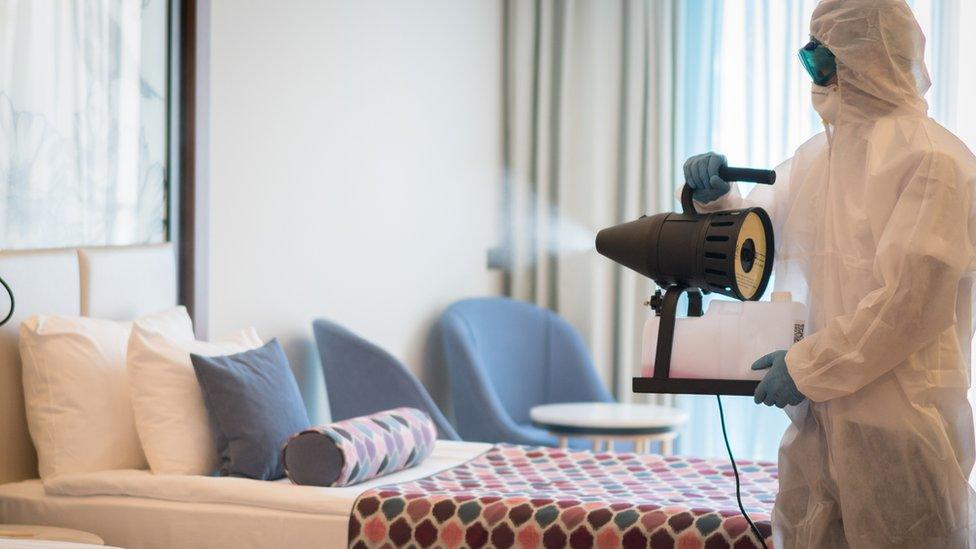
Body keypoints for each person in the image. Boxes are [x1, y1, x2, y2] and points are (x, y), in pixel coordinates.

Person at [683, 0, 976, 547]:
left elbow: (908, 306)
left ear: (869, 58)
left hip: (901, 433)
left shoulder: (936, 162)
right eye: (809, 55)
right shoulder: (817, 158)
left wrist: (807, 364)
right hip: (818, 430)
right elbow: (754, 241)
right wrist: (716, 198)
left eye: (822, 57)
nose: (814, 70)